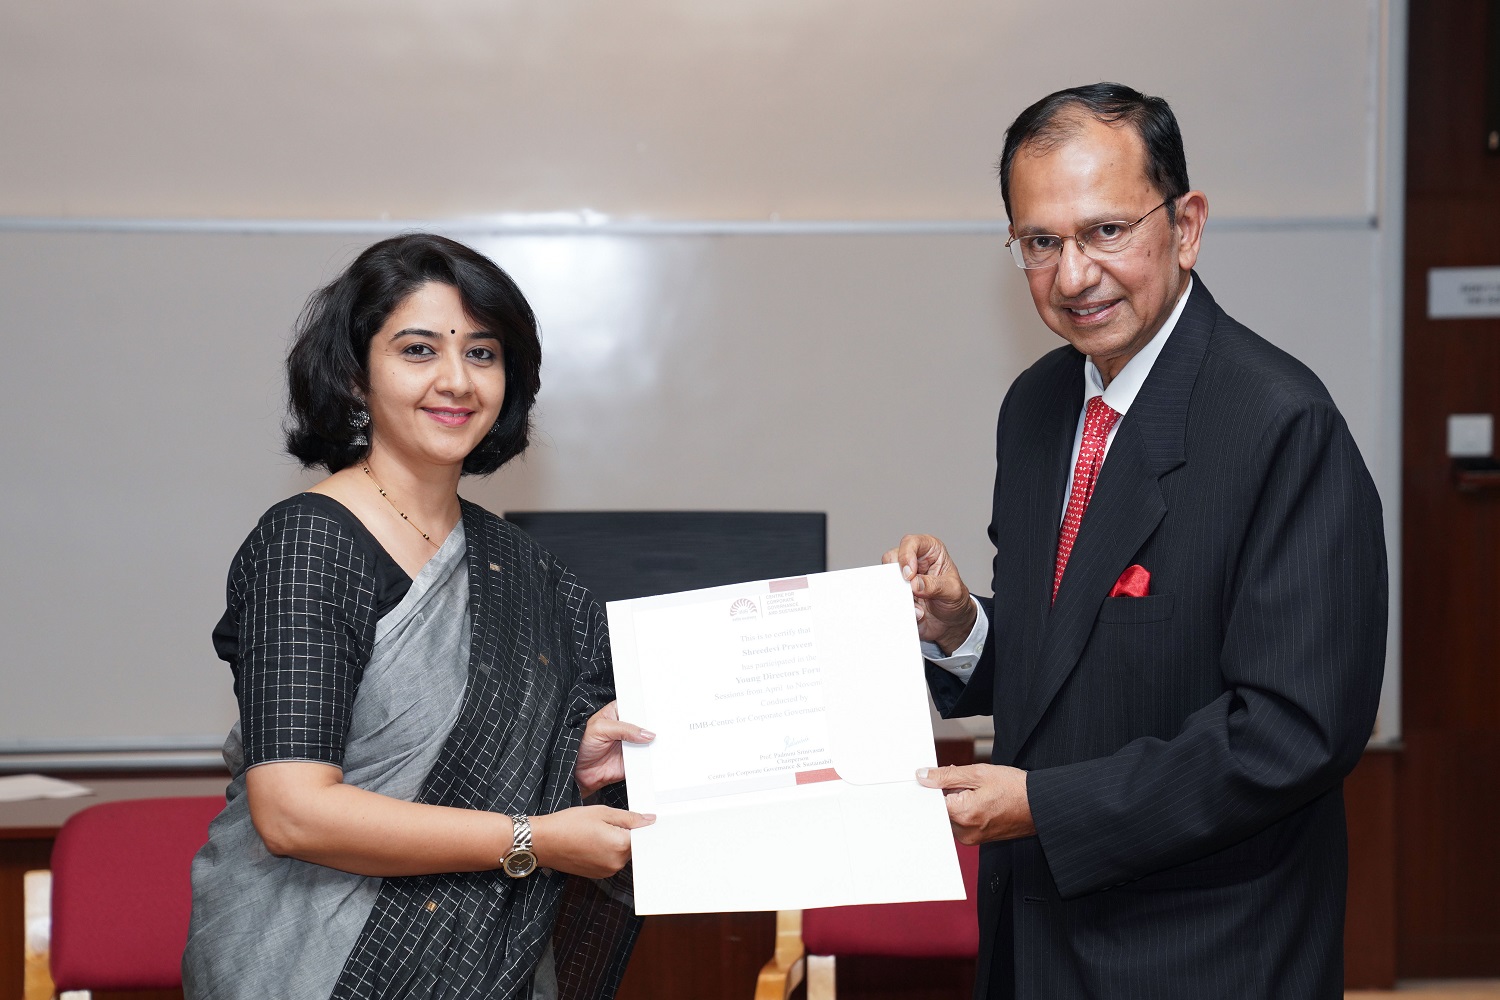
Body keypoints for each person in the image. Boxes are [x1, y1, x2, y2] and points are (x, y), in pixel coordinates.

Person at [885, 83, 1386, 999]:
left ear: (1186, 226)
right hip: (1038, 933)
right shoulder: (1037, 407)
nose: (1073, 275)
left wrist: (1045, 804)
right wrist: (963, 627)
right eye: (1041, 242)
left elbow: (1295, 731)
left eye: (1107, 231)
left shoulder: (1281, 424)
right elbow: (1081, 655)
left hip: (1204, 947)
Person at [183, 233, 655, 1000]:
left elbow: (467, 761)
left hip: (482, 959)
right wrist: (533, 839)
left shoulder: (515, 562)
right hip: (314, 961)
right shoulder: (311, 542)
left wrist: (569, 762)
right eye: (416, 349)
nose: (455, 380)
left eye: (481, 352)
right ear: (353, 373)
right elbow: (293, 812)